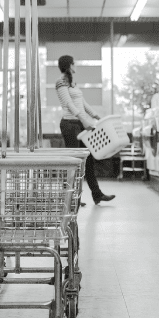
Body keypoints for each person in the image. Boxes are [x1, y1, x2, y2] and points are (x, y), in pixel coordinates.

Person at [55, 55, 115, 206]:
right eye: (74, 63)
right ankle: (70, 198)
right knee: (74, 162)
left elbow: (82, 103)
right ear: (69, 65)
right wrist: (83, 120)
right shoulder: (60, 82)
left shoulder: (73, 83)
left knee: (88, 161)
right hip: (69, 125)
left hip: (79, 124)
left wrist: (96, 116)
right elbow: (69, 104)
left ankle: (97, 194)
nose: (76, 65)